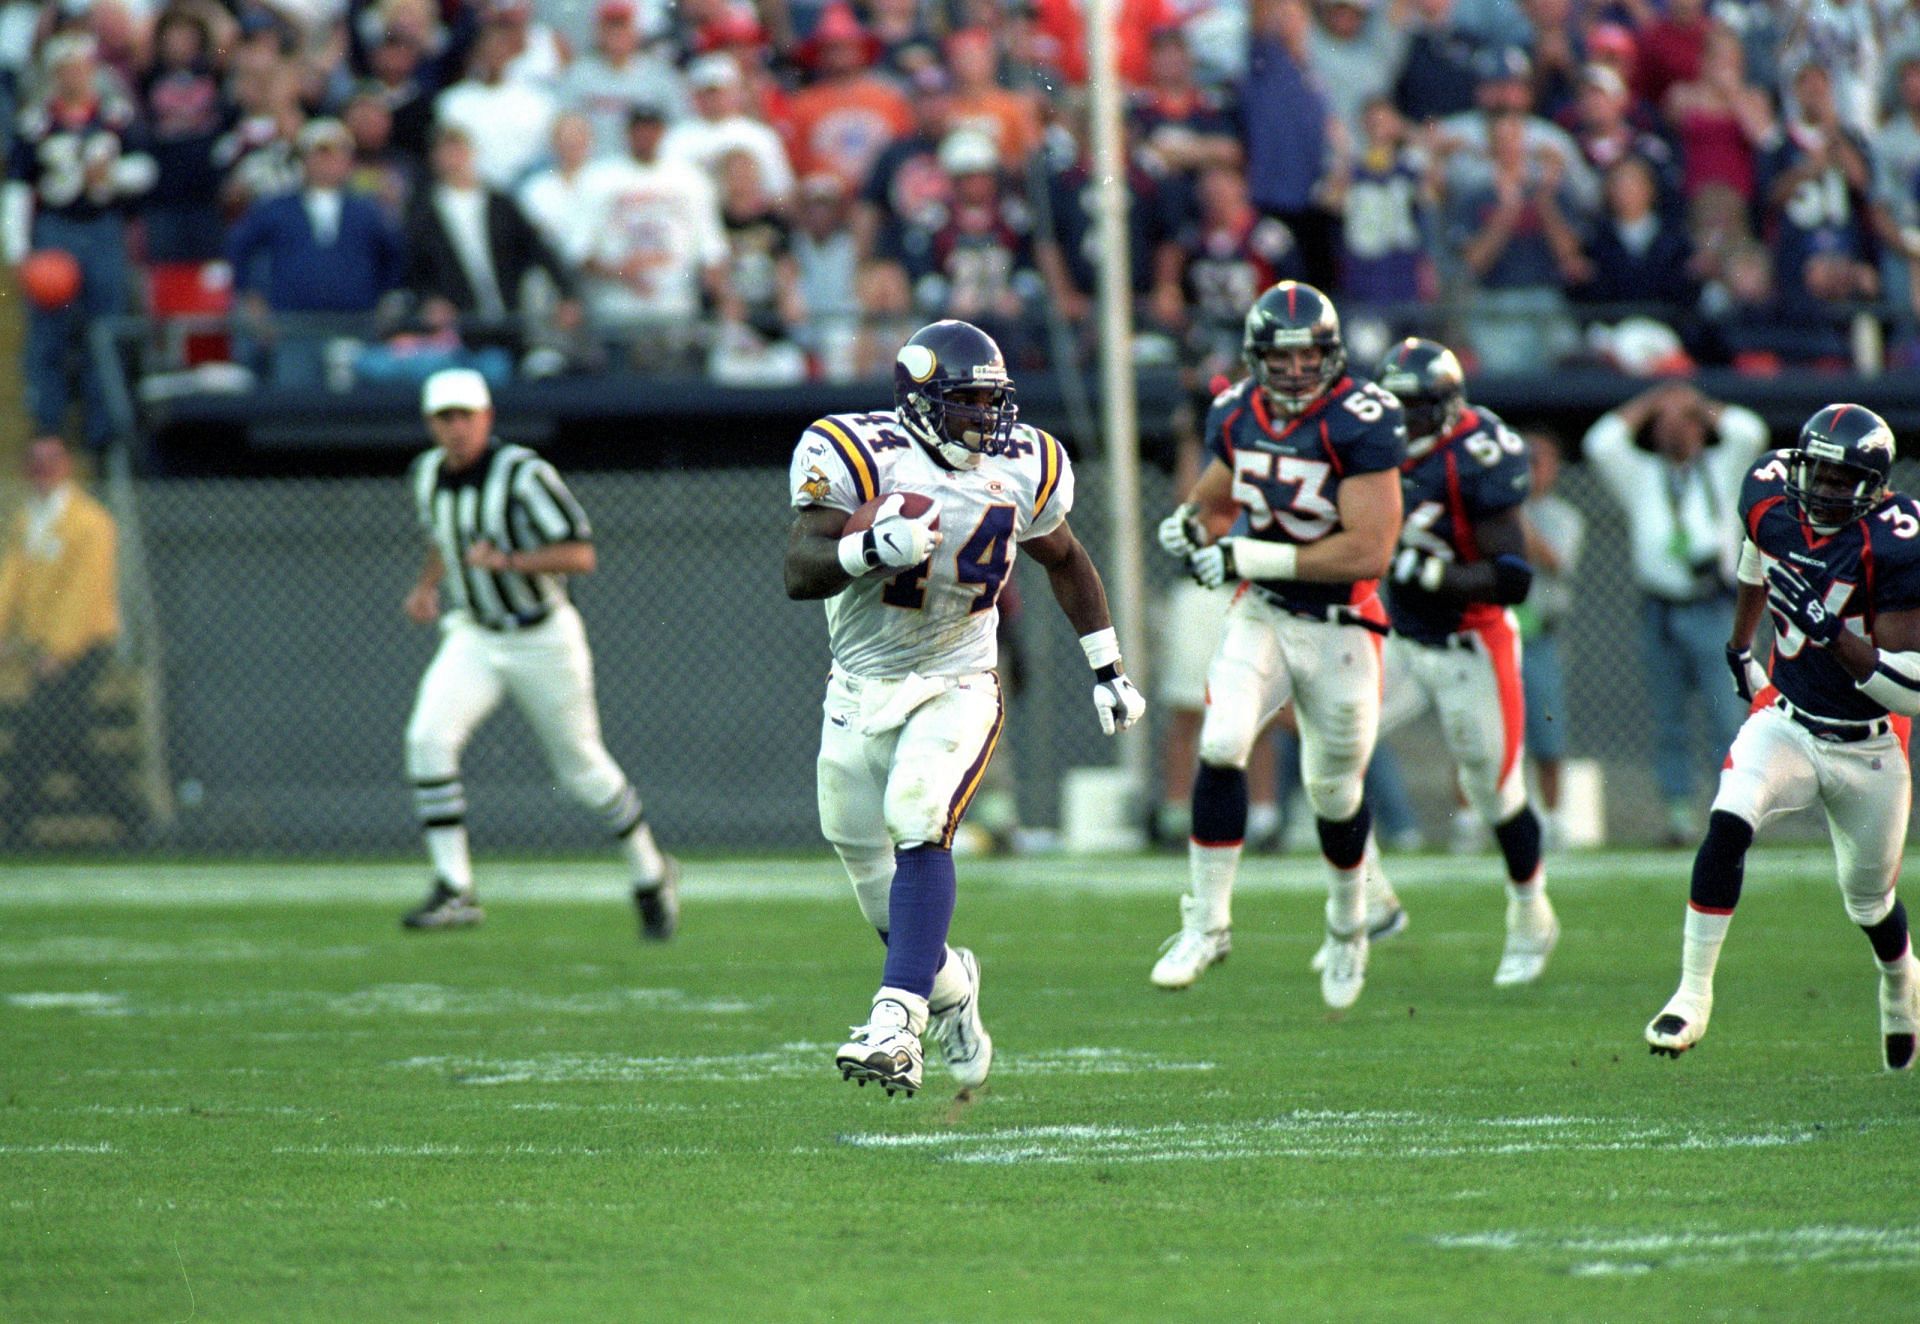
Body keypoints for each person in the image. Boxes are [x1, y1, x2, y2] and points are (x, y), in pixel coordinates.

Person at [782, 318, 1145, 1098]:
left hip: (959, 680)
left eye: (993, 400)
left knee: (920, 813)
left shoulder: (1027, 464)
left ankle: (895, 1024)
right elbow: (800, 567)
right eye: (968, 401)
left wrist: (1107, 666)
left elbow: (1066, 557)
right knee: (860, 854)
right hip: (857, 686)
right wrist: (866, 550)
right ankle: (951, 989)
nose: (987, 419)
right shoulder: (851, 449)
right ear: (919, 402)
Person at [1150, 280, 1405, 1009]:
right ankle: (1206, 923)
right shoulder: (1234, 411)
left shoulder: (1361, 419)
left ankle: (1351, 923)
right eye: (1281, 357)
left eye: (1309, 356)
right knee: (1222, 741)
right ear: (1258, 358)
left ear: (1332, 355)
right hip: (1261, 613)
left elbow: (1367, 550)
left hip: (1341, 625)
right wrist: (1192, 525)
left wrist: (1246, 554)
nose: (1295, 370)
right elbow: (1216, 496)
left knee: (1333, 792)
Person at [1646, 403, 1920, 1071]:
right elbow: (1755, 554)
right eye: (1816, 474)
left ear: (1875, 488)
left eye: (1841, 480)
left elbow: (1910, 686)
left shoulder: (1895, 539)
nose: (1824, 490)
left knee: (1868, 899)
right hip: (1788, 719)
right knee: (1729, 819)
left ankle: (1901, 980)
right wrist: (1742, 642)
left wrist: (1835, 638)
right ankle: (1692, 992)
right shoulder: (1770, 496)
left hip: (1870, 744)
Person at [399, 368, 678, 936]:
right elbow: (442, 537)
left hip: (540, 635)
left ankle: (650, 870)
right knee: (427, 739)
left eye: (464, 416)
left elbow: (580, 555)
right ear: (431, 424)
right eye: (444, 418)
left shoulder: (523, 474)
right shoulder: (427, 474)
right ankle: (455, 887)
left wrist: (511, 563)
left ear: (486, 418)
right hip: (475, 632)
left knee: (581, 770)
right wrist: (428, 585)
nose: (455, 429)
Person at [1372, 337, 1558, 985]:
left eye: (1415, 408)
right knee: (1333, 744)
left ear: (1447, 406)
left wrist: (1426, 571)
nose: (1402, 421)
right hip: (1398, 636)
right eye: (1393, 406)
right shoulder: (1369, 441)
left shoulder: (1478, 457)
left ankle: (1531, 913)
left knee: (1494, 792)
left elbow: (1513, 578)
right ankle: (1360, 903)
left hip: (1470, 642)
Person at [1582, 380, 1769, 844]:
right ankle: (1679, 816)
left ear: (1702, 429)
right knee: (1670, 720)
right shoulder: (1643, 473)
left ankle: (1736, 812)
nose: (1675, 431)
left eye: (1684, 423)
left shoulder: (1723, 467)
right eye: (1664, 425)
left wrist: (1697, 403)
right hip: (1661, 609)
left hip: (1714, 608)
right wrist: (1651, 401)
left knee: (1728, 715)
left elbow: (1750, 431)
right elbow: (1600, 443)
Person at [0, 436, 141, 843]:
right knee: (69, 742)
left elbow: (85, 592)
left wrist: (60, 652)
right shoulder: (28, 520)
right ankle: (136, 821)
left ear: (66, 466)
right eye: (35, 462)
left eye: (51, 460)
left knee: (36, 734)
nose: (42, 469)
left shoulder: (91, 522)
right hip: (45, 648)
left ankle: (15, 827)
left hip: (81, 647)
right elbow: (11, 580)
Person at [225, 118, 406, 387]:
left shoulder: (367, 210)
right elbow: (238, 247)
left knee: (359, 402)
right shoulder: (277, 207)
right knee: (295, 401)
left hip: (356, 324)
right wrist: (250, 297)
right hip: (295, 327)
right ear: (305, 160)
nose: (329, 162)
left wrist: (388, 297)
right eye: (321, 154)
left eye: (337, 154)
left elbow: (395, 254)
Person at [1515, 430, 1583, 839]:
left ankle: (1553, 817)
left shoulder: (1565, 517)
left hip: (1541, 633)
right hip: (1500, 631)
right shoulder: (1490, 511)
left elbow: (1555, 560)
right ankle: (1472, 821)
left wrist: (1515, 519)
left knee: (1547, 727)